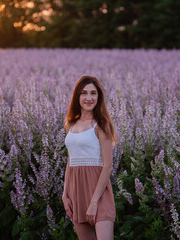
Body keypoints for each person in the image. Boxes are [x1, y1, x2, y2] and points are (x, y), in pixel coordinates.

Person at [62, 75, 117, 240]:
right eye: (84, 93)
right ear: (77, 96)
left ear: (98, 97)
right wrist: (65, 194)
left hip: (98, 194)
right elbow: (71, 160)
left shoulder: (101, 124)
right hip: (75, 193)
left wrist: (94, 202)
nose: (89, 98)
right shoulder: (70, 124)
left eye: (93, 93)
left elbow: (108, 166)